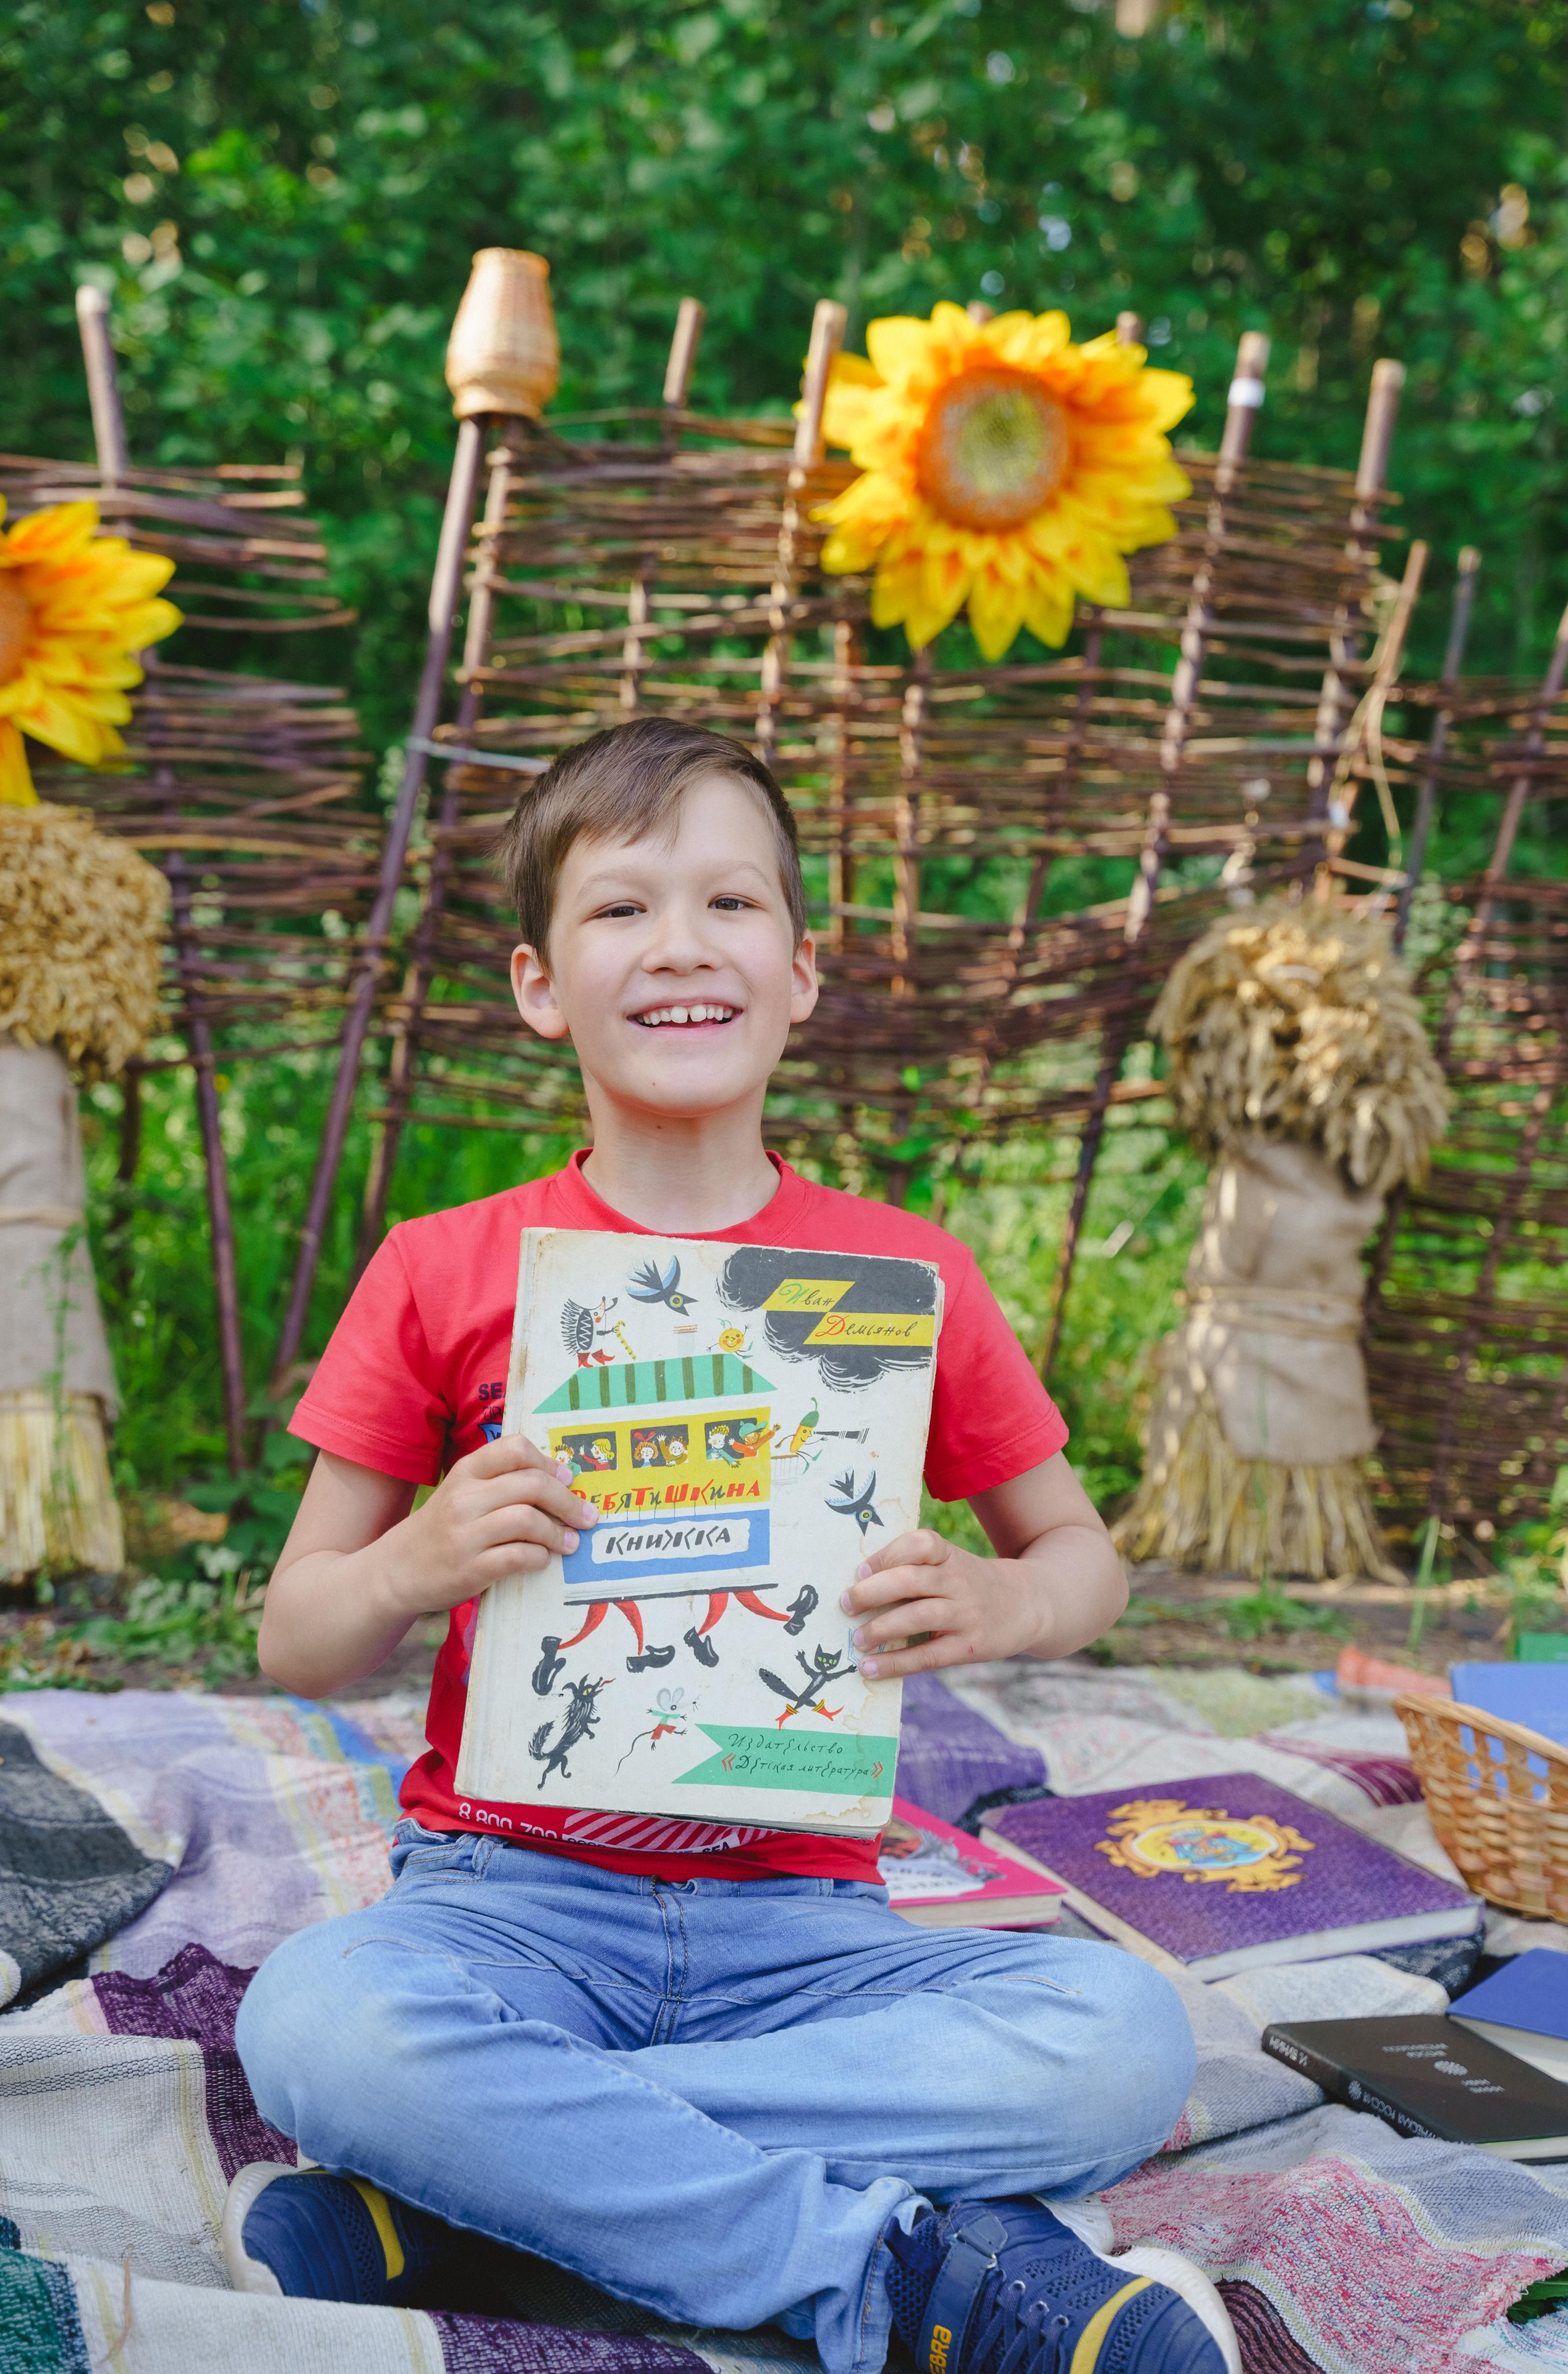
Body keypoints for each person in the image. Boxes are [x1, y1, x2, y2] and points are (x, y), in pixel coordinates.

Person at [229, 720, 1231, 2374]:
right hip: (509, 1905)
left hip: (810, 1926)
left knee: (1120, 2041)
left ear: (801, 968)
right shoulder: (441, 1269)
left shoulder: (903, 1277)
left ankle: (485, 2197)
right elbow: (298, 1640)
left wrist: (995, 1596)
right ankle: (895, 2278)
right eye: (622, 910)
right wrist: (419, 1560)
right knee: (321, 2023)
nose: (682, 946)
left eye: (731, 904)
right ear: (541, 982)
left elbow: (1084, 1560)